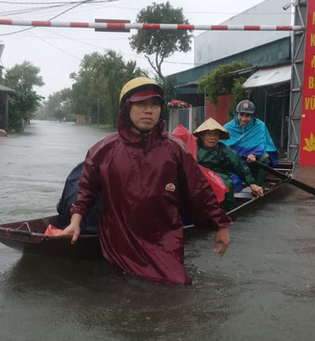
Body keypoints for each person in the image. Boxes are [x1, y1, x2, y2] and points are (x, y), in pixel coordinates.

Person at [59, 77, 232, 286]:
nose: (148, 110)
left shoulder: (175, 149)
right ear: (126, 108)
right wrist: (75, 221)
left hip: (165, 240)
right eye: (141, 104)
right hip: (120, 242)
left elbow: (199, 189)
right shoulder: (103, 150)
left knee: (177, 287)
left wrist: (220, 225)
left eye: (154, 104)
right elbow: (86, 189)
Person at [194, 118, 264, 210]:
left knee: (227, 184)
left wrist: (252, 184)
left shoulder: (223, 150)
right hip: (197, 178)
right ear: (202, 136)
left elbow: (239, 166)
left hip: (219, 178)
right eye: (209, 134)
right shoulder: (193, 147)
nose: (213, 138)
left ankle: (227, 211)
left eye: (216, 135)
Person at [223, 99, 278, 185]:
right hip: (236, 159)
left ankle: (258, 186)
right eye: (241, 115)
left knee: (265, 159)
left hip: (253, 158)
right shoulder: (228, 127)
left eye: (247, 115)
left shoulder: (259, 126)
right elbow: (221, 145)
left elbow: (261, 142)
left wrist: (254, 154)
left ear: (252, 116)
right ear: (237, 114)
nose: (244, 119)